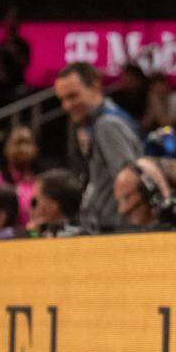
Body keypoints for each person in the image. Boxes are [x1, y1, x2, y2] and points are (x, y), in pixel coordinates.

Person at [55, 62, 143, 232]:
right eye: (63, 99)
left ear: (95, 86)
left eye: (73, 96)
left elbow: (130, 183)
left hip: (115, 232)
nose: (67, 106)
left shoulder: (107, 125)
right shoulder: (99, 123)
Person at [0, 123, 39, 227]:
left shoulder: (42, 181)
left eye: (27, 143)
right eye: (17, 143)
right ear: (6, 148)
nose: (22, 149)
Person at [27, 169, 84, 238]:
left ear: (52, 206)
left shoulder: (66, 238)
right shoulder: (87, 232)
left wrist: (32, 234)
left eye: (34, 202)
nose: (30, 208)